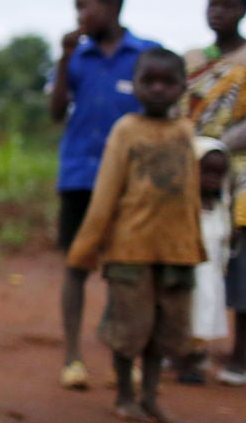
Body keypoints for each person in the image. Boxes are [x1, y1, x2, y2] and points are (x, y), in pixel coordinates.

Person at [66, 47, 205, 423]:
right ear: (135, 84)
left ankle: (150, 397)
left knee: (165, 329)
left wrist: (196, 245)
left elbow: (191, 195)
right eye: (149, 81)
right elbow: (106, 193)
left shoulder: (185, 131)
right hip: (130, 250)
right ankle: (125, 396)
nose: (158, 88)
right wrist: (86, 248)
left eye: (168, 82)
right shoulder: (126, 130)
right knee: (129, 328)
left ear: (182, 87)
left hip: (176, 252)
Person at [49, 0, 160, 390]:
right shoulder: (77, 58)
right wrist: (64, 59)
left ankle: (124, 358)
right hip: (79, 175)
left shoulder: (146, 54)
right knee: (76, 265)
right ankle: (72, 357)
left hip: (132, 181)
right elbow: (55, 111)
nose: (79, 16)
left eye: (85, 6)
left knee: (125, 270)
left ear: (111, 6)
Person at [182, 0, 246, 386]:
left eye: (227, 5)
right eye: (212, 4)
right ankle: (190, 347)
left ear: (243, 10)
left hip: (243, 175)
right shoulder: (193, 59)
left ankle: (240, 355)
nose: (217, 12)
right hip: (194, 169)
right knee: (194, 257)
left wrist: (214, 149)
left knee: (245, 263)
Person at [175, 137, 232, 384]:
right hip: (189, 277)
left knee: (204, 317)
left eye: (218, 175)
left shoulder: (220, 207)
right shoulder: (183, 206)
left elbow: (224, 241)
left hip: (211, 277)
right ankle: (184, 360)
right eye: (205, 172)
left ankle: (197, 355)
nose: (212, 179)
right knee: (186, 315)